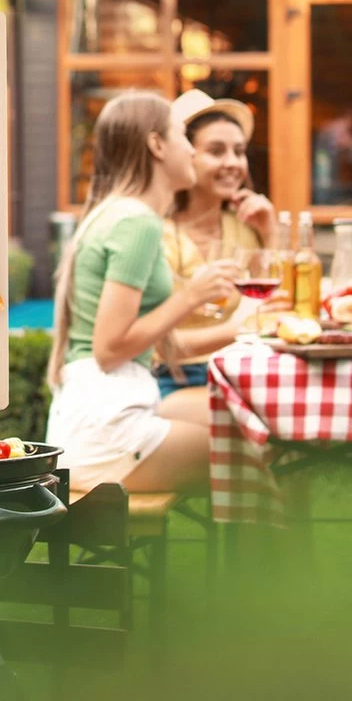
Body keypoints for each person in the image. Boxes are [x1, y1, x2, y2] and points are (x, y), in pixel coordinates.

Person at [45, 92, 240, 494]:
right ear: (157, 145)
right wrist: (191, 296)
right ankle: (275, 539)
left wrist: (241, 332)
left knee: (240, 421)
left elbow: (151, 345)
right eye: (182, 135)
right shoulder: (137, 222)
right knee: (248, 446)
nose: (191, 150)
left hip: (92, 415)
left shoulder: (117, 213)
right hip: (109, 426)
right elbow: (110, 348)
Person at [157, 89, 276, 396]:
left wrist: (270, 233)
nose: (232, 162)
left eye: (239, 151)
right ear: (185, 153)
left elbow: (280, 307)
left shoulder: (243, 226)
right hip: (170, 378)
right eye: (216, 151)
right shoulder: (157, 232)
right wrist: (240, 332)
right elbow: (157, 345)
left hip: (230, 371)